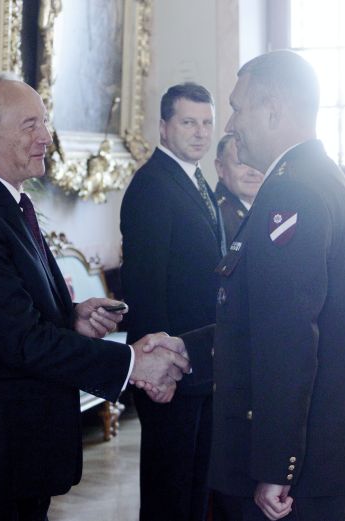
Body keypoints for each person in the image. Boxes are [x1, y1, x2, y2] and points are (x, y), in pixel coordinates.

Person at [0, 72, 191, 521]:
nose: (46, 137)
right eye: (30, 125)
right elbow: (19, 341)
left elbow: (12, 312)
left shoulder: (4, 202)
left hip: (15, 457)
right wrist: (133, 363)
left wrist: (71, 317)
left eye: (44, 122)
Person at [180, 50, 345, 521]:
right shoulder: (317, 176)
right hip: (322, 459)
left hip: (298, 473)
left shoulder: (292, 191)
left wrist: (276, 464)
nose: (230, 124)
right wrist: (185, 348)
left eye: (237, 108)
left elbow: (289, 336)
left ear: (272, 110)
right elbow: (266, 315)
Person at [120, 82, 222, 521]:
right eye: (188, 122)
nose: (200, 133)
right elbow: (144, 287)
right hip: (170, 369)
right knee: (170, 494)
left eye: (207, 123)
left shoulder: (196, 180)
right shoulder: (152, 186)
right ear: (163, 127)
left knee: (195, 490)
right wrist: (158, 369)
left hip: (198, 362)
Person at [214, 133, 264, 245]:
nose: (254, 172)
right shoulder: (215, 215)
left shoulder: (271, 207)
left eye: (258, 163)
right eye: (242, 163)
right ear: (220, 167)